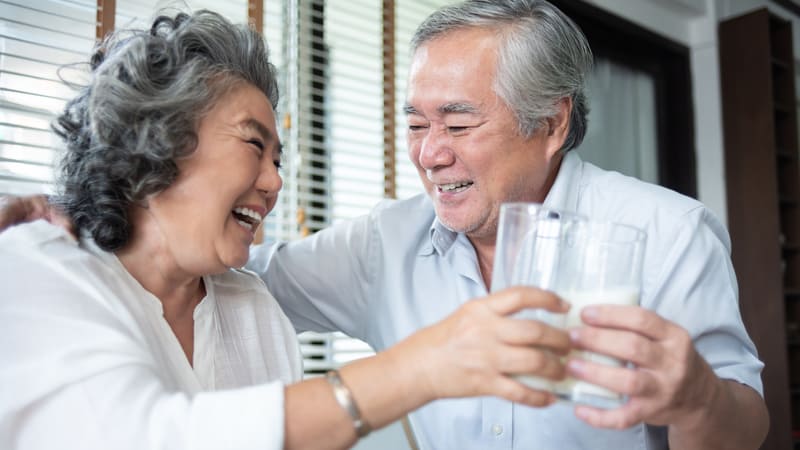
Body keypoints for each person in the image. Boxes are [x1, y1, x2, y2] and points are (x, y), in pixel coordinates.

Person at [0, 1, 769, 449]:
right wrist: (92, 205)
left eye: (458, 122)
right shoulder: (378, 245)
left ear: (552, 122)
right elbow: (207, 266)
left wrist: (698, 399)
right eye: (414, 122)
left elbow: (747, 426)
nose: (429, 154)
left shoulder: (668, 231)